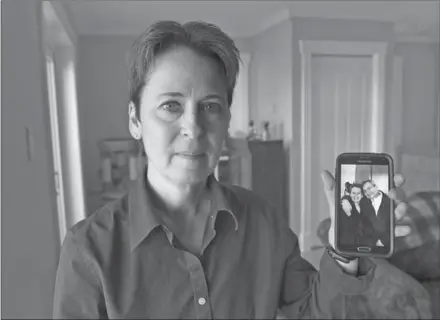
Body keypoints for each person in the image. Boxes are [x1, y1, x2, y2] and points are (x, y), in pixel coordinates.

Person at [53, 20, 412, 319]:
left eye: (210, 106)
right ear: (135, 120)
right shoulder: (88, 251)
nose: (193, 127)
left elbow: (311, 312)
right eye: (170, 106)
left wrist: (343, 252)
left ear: (226, 119)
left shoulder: (263, 221)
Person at [360, 179, 392, 248]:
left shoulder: (390, 201)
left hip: (387, 244)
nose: (368, 192)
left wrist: (383, 241)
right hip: (369, 245)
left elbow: (392, 224)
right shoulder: (363, 203)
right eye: (365, 191)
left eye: (369, 188)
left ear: (376, 187)